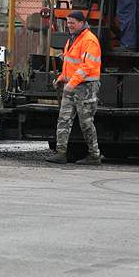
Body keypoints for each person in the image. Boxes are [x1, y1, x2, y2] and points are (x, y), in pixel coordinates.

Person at [46, 11, 102, 165]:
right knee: (63, 119)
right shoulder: (73, 39)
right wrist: (62, 78)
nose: (69, 25)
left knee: (86, 122)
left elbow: (87, 66)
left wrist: (71, 83)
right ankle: (61, 153)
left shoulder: (89, 40)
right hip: (71, 86)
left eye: (72, 23)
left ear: (82, 22)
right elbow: (70, 63)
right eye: (68, 22)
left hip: (86, 87)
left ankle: (94, 155)